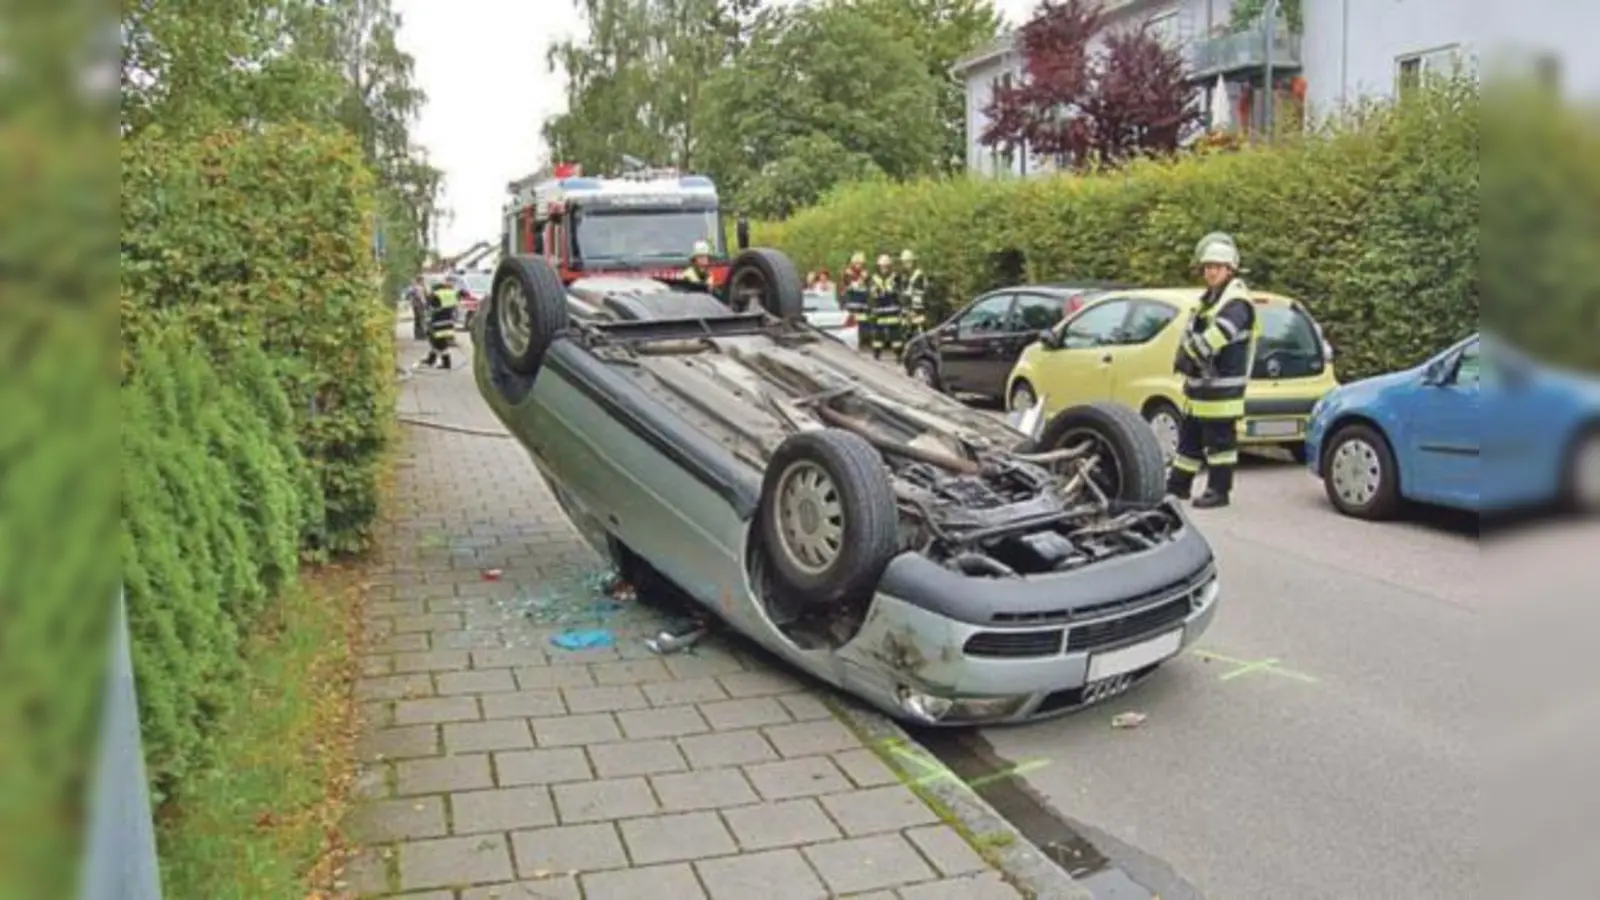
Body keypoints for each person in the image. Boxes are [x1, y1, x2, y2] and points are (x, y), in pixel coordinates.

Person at [1165, 233, 1262, 508]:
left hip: (1222, 389)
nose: (1210, 272)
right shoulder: (1210, 298)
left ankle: (1219, 491)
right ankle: (1178, 486)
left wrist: (1191, 356)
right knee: (1189, 440)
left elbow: (1222, 332)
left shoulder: (1236, 301)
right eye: (1207, 267)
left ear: (1229, 270)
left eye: (1216, 268)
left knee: (1220, 444)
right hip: (1202, 387)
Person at [418, 276, 461, 369]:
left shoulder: (436, 294)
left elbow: (428, 305)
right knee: (437, 341)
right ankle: (431, 360)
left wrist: (425, 292)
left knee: (439, 342)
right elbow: (460, 297)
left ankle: (446, 363)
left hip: (438, 321)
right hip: (448, 321)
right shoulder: (452, 293)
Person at [868, 253, 904, 360]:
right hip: (879, 311)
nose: (884, 268)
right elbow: (872, 293)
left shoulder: (895, 277)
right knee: (878, 336)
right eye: (882, 266)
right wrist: (878, 292)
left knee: (896, 335)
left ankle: (898, 354)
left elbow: (899, 291)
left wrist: (892, 290)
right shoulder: (874, 278)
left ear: (889, 266)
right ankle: (876, 354)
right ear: (878, 266)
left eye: (886, 266)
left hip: (892, 311)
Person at [841, 251, 871, 341]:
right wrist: (859, 280)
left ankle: (863, 339)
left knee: (863, 325)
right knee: (851, 326)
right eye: (857, 263)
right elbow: (848, 286)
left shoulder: (866, 274)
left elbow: (869, 287)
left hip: (863, 304)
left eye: (861, 263)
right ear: (853, 263)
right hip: (852, 304)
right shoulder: (847, 273)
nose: (859, 265)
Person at [895, 249, 928, 332]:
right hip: (906, 313)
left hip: (917, 314)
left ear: (913, 262)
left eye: (908, 261)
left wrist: (914, 311)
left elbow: (919, 295)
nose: (906, 264)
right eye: (904, 262)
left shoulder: (918, 275)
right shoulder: (904, 275)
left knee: (918, 337)